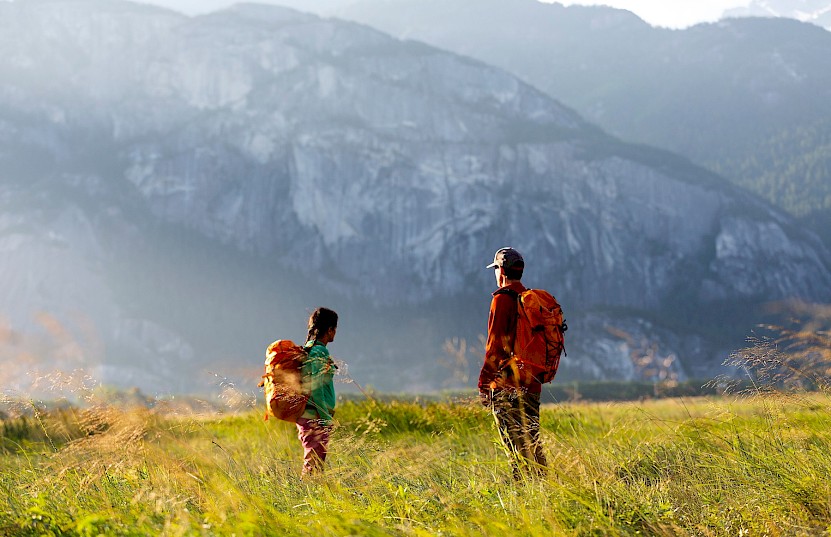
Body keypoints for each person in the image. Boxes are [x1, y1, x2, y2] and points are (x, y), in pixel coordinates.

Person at [478, 247, 548, 479]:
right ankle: (546, 489)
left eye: (496, 268)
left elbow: (495, 346)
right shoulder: (530, 300)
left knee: (516, 450)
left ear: (501, 271)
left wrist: (484, 383)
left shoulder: (502, 300)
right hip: (532, 382)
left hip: (507, 384)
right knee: (532, 442)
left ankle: (525, 497)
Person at [296, 307, 339, 476]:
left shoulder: (309, 348)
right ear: (329, 330)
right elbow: (316, 387)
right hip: (315, 417)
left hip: (310, 415)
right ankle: (307, 497)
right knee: (314, 466)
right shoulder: (319, 351)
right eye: (335, 329)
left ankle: (311, 495)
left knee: (314, 464)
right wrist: (326, 418)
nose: (335, 332)